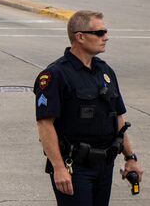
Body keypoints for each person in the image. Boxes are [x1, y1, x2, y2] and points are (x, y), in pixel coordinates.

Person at [34, 10, 143, 206]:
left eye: (105, 32)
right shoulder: (55, 75)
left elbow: (118, 117)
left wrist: (130, 158)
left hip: (105, 165)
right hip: (74, 167)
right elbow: (45, 124)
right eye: (100, 33)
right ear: (80, 37)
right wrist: (58, 167)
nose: (106, 38)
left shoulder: (105, 71)